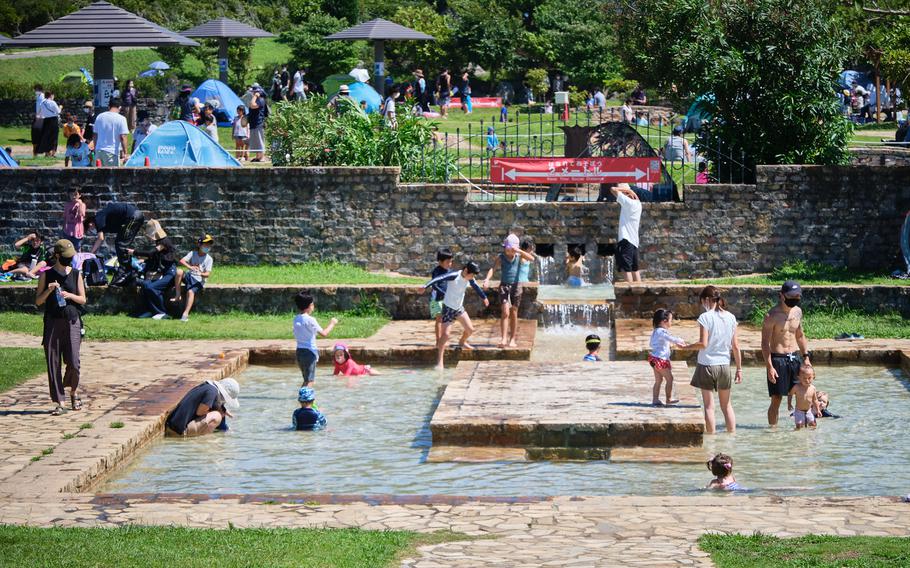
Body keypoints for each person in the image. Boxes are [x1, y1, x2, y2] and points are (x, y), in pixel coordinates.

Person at [35, 239, 86, 415]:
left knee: (74, 362)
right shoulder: (46, 275)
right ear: (57, 256)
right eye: (65, 257)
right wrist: (49, 290)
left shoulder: (76, 273)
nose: (69, 260)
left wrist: (70, 295)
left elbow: (83, 299)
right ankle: (59, 402)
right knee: (53, 362)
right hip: (53, 321)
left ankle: (73, 391)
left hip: (72, 321)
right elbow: (38, 301)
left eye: (71, 257)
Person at [687, 285, 742, 434]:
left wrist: (686, 347)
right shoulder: (731, 317)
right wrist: (739, 369)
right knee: (727, 406)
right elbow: (735, 346)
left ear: (706, 300)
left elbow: (703, 344)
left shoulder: (705, 317)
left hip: (707, 365)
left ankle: (711, 442)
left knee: (709, 407)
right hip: (724, 366)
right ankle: (732, 438)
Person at [761, 280, 811, 427]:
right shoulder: (771, 315)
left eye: (797, 296)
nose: (794, 298)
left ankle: (801, 429)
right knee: (776, 399)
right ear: (782, 295)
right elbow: (765, 343)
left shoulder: (798, 312)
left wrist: (806, 357)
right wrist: (769, 366)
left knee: (802, 395)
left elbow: (800, 336)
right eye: (791, 295)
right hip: (778, 359)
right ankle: (773, 431)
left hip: (795, 358)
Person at [424, 262, 490, 370]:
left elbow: (476, 287)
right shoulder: (454, 275)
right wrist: (425, 286)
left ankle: (462, 342)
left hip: (459, 309)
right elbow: (438, 278)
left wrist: (484, 297)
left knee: (470, 330)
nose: (472, 278)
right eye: (472, 275)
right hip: (448, 309)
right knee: (445, 335)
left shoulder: (470, 279)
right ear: (466, 271)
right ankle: (440, 361)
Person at [483, 234, 536, 348]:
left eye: (510, 249)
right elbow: (493, 268)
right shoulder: (501, 257)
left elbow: (532, 258)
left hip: (516, 286)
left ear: (515, 248)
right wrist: (487, 279)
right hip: (504, 287)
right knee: (505, 312)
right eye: (506, 249)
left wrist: (519, 251)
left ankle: (512, 339)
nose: (508, 251)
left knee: (514, 312)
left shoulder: (519, 256)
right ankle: (503, 339)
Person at [86, 200, 145, 286]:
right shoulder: (105, 221)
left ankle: (124, 272)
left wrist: (91, 254)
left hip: (133, 217)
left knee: (120, 244)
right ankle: (130, 273)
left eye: (89, 229)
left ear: (90, 224)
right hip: (135, 217)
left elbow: (101, 238)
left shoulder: (98, 218)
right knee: (122, 244)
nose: (92, 231)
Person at [132, 220, 177, 320]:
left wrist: (134, 252)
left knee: (152, 287)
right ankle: (150, 310)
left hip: (171, 273)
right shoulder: (159, 242)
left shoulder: (164, 242)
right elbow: (153, 258)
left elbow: (150, 253)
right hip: (164, 273)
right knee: (145, 284)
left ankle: (162, 312)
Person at [165, 378, 240, 437]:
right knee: (217, 416)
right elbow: (200, 412)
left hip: (172, 427)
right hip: (179, 432)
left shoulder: (207, 387)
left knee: (218, 412)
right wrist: (220, 413)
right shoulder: (212, 392)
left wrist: (223, 410)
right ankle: (204, 439)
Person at [294, 292, 338, 386]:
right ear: (309, 306)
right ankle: (307, 400)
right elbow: (324, 333)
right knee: (310, 381)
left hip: (299, 352)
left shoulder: (296, 318)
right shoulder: (310, 319)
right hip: (309, 352)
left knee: (306, 379)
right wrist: (332, 323)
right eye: (313, 304)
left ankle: (302, 399)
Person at [171, 234, 214, 322]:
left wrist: (200, 273)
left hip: (198, 280)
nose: (207, 247)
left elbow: (207, 274)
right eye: (205, 244)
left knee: (190, 292)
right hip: (189, 276)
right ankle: (178, 295)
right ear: (199, 245)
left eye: (209, 245)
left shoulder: (209, 259)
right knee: (179, 271)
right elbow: (182, 261)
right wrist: (190, 267)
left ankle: (185, 314)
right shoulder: (193, 253)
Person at [649, 309, 687, 406]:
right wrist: (680, 340)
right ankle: (668, 399)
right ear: (664, 321)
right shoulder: (662, 331)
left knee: (658, 380)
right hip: (660, 360)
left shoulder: (655, 331)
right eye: (671, 320)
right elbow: (671, 338)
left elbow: (653, 343)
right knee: (670, 379)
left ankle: (655, 399)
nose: (671, 322)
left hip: (654, 359)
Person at [611, 183, 642, 282]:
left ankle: (629, 293)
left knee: (626, 269)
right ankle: (639, 293)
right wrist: (630, 191)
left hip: (626, 240)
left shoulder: (627, 202)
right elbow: (634, 197)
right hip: (634, 241)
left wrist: (627, 191)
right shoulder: (638, 203)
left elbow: (612, 189)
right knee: (635, 269)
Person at [92, 98, 129, 166]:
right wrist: (125, 153)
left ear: (109, 106)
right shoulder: (121, 119)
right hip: (112, 152)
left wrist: (95, 148)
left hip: (99, 150)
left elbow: (95, 135)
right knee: (112, 176)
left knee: (98, 175)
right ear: (120, 107)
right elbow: (123, 137)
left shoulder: (99, 117)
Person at [429, 247, 455, 342]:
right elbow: (434, 285)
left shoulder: (451, 272)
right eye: (448, 262)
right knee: (439, 320)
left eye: (451, 262)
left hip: (448, 299)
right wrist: (443, 293)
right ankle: (438, 340)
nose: (450, 264)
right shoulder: (436, 271)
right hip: (437, 299)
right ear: (440, 262)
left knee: (447, 320)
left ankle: (444, 339)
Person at [789, 362, 818, 430]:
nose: (807, 380)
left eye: (809, 378)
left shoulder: (813, 388)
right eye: (804, 378)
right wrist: (789, 404)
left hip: (809, 411)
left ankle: (813, 438)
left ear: (813, 377)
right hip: (799, 411)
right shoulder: (796, 387)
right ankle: (797, 437)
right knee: (799, 426)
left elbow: (815, 400)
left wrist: (818, 410)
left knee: (813, 425)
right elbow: (790, 394)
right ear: (799, 378)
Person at [35, 91, 60, 157]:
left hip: (45, 120)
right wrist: (60, 107)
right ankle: (53, 153)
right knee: (54, 137)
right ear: (51, 95)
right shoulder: (52, 102)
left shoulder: (42, 103)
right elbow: (58, 111)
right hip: (53, 120)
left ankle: (47, 152)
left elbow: (40, 112)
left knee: (46, 137)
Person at [248, 85, 268, 162]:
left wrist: (256, 96)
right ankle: (258, 157)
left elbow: (252, 105)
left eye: (254, 92)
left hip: (259, 123)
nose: (252, 93)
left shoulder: (261, 100)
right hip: (253, 123)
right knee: (256, 140)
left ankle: (262, 157)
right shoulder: (256, 99)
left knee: (260, 140)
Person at [31, 84, 45, 156]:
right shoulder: (38, 96)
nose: (35, 91)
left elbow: (42, 106)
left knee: (38, 135)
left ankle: (38, 152)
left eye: (36, 90)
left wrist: (38, 114)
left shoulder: (42, 96)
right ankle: (35, 152)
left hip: (40, 117)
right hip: (38, 117)